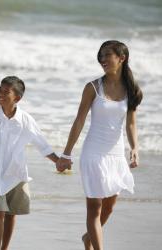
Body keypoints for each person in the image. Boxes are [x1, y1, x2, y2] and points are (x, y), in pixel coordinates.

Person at [56, 40, 143, 250]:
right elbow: (79, 121)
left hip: (116, 154)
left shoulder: (131, 89)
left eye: (107, 55)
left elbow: (131, 123)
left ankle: (88, 238)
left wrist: (135, 148)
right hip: (93, 153)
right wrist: (66, 154)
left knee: (109, 208)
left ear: (121, 58)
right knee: (94, 208)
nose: (102, 59)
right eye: (101, 56)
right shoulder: (93, 87)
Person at [0, 76, 59, 250]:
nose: (0, 94)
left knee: (11, 214)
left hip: (17, 174)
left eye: (6, 92)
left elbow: (41, 142)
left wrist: (57, 161)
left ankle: (5, 248)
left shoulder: (25, 119)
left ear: (17, 98)